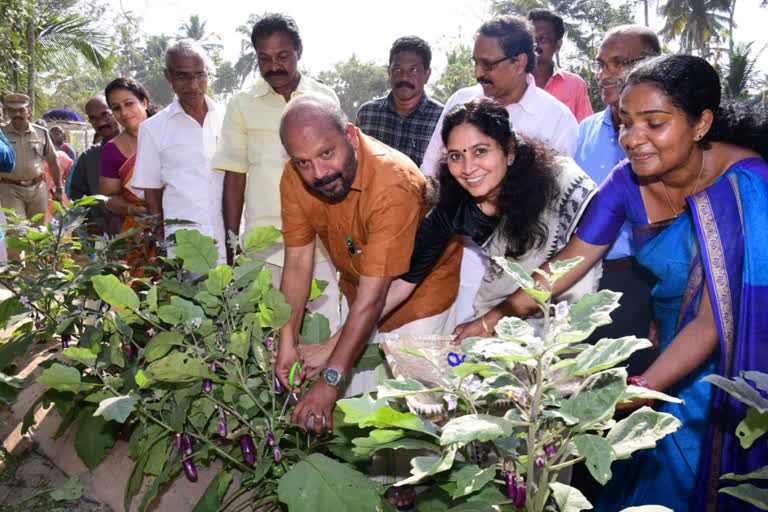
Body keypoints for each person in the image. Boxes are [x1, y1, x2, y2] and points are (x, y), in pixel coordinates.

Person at [500, 54, 768, 512]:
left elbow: (711, 322)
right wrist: (497, 316)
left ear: (701, 124)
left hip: (732, 357)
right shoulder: (626, 182)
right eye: (625, 123)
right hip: (667, 355)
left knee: (689, 469)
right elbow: (566, 264)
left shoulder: (748, 185)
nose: (633, 139)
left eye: (654, 123)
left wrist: (636, 390)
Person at [275, 95, 461, 434]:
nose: (318, 172)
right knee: (363, 419)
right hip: (361, 291)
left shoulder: (392, 180)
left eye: (326, 153)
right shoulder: (294, 178)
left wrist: (331, 372)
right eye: (303, 162)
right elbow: (298, 263)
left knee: (416, 416)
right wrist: (287, 339)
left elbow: (378, 297)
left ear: (348, 135)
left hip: (420, 297)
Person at [383, 98, 599, 342]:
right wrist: (349, 335)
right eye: (456, 156)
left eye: (480, 151)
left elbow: (584, 253)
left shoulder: (561, 181)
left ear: (509, 151)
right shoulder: (455, 206)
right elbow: (403, 283)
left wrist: (493, 320)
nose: (468, 168)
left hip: (575, 312)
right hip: (506, 316)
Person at [421, 15, 579, 326]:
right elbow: (429, 177)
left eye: (488, 64)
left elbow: (555, 215)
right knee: (454, 355)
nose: (478, 73)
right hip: (455, 259)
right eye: (475, 62)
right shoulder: (461, 102)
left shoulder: (557, 120)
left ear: (520, 62)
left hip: (521, 273)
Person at [212, 13, 341, 330]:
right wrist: (233, 247)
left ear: (299, 50)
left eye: (282, 56)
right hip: (264, 249)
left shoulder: (324, 98)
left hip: (320, 248)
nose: (274, 66)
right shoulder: (242, 104)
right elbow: (234, 176)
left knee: (324, 335)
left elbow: (340, 171)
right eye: (264, 58)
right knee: (267, 344)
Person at [574, 26, 662, 375]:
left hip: (642, 282)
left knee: (636, 388)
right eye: (600, 65)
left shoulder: (666, 137)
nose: (604, 75)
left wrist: (657, 307)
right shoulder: (585, 129)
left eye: (618, 63)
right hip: (585, 279)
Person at [132, 40, 226, 265]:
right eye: (183, 76)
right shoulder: (153, 129)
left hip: (232, 241)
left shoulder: (229, 118)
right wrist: (162, 249)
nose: (193, 85)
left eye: (200, 75)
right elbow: (152, 194)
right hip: (185, 251)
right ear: (168, 76)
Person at [355, 36, 443, 167]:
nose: (404, 77)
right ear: (389, 72)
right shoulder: (367, 114)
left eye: (413, 70)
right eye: (397, 69)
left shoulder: (442, 119)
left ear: (427, 74)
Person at [99, 78, 157, 274]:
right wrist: (133, 209)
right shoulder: (111, 150)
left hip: (180, 220)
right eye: (116, 108)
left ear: (145, 102)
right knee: (143, 288)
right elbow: (109, 198)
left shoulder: (169, 132)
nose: (124, 113)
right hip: (140, 230)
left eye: (129, 103)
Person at [0, 94, 63, 222]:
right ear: (7, 112)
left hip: (38, 188)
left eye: (21, 110)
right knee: (18, 231)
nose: (17, 113)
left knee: (38, 231)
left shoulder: (41, 133)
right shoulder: (2, 133)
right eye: (12, 110)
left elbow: (53, 162)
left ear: (28, 111)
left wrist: (59, 188)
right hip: (10, 189)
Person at [68, 94, 123, 235]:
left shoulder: (141, 145)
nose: (101, 123)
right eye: (94, 119)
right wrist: (93, 220)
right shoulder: (89, 157)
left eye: (105, 114)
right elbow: (77, 194)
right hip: (108, 234)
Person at [527, 9, 592, 122]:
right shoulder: (511, 81)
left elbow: (584, 129)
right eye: (531, 39)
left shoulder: (575, 84)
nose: (535, 45)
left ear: (558, 45)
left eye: (543, 39)